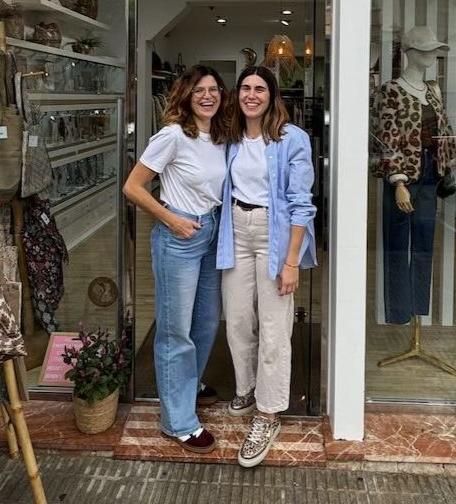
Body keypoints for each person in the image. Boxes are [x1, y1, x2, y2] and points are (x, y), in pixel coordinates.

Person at [122, 65, 229, 453]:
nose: (208, 95)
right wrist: (171, 219)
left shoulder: (219, 136)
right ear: (185, 94)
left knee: (205, 323)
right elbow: (132, 187)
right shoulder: (171, 136)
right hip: (179, 237)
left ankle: (190, 384)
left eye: (214, 89)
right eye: (199, 89)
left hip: (212, 234)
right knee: (175, 329)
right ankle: (178, 421)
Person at [217, 65, 317, 468]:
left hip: (274, 235)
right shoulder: (228, 137)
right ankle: (248, 386)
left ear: (272, 95)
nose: (251, 95)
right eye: (245, 88)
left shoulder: (292, 139)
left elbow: (302, 203)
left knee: (275, 327)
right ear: (237, 94)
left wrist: (291, 261)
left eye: (260, 88)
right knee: (238, 318)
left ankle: (269, 412)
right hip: (235, 230)